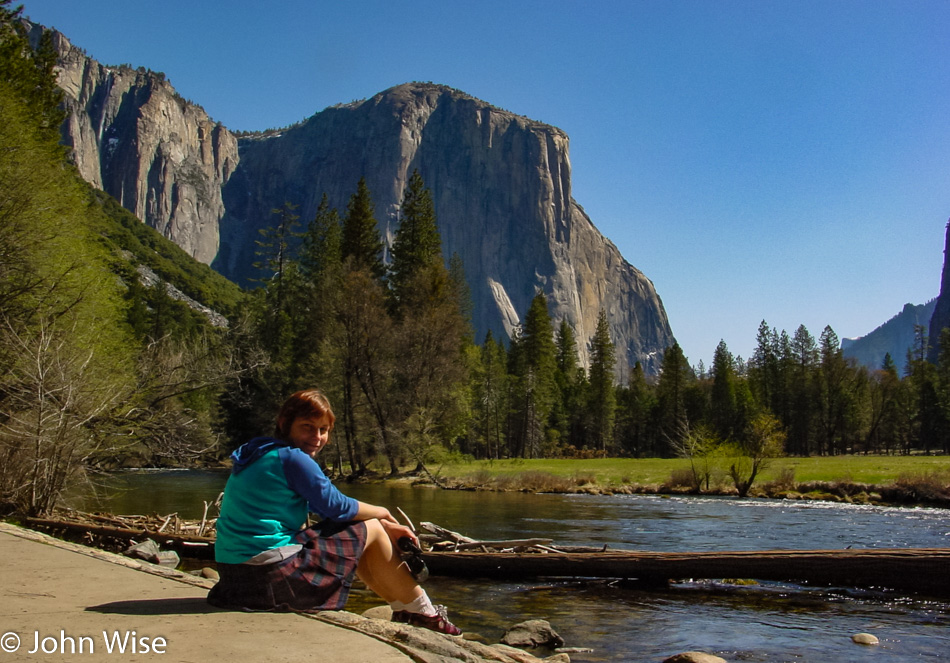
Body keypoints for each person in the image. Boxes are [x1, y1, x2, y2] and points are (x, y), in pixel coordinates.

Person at [207, 388, 461, 635]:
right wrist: (383, 514)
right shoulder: (293, 458)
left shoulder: (261, 452)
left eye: (324, 430)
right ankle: (424, 612)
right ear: (285, 423)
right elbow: (337, 507)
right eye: (307, 426)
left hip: (235, 577)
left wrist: (378, 521)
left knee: (361, 527)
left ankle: (408, 609)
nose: (317, 437)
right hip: (266, 577)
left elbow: (327, 509)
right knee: (369, 527)